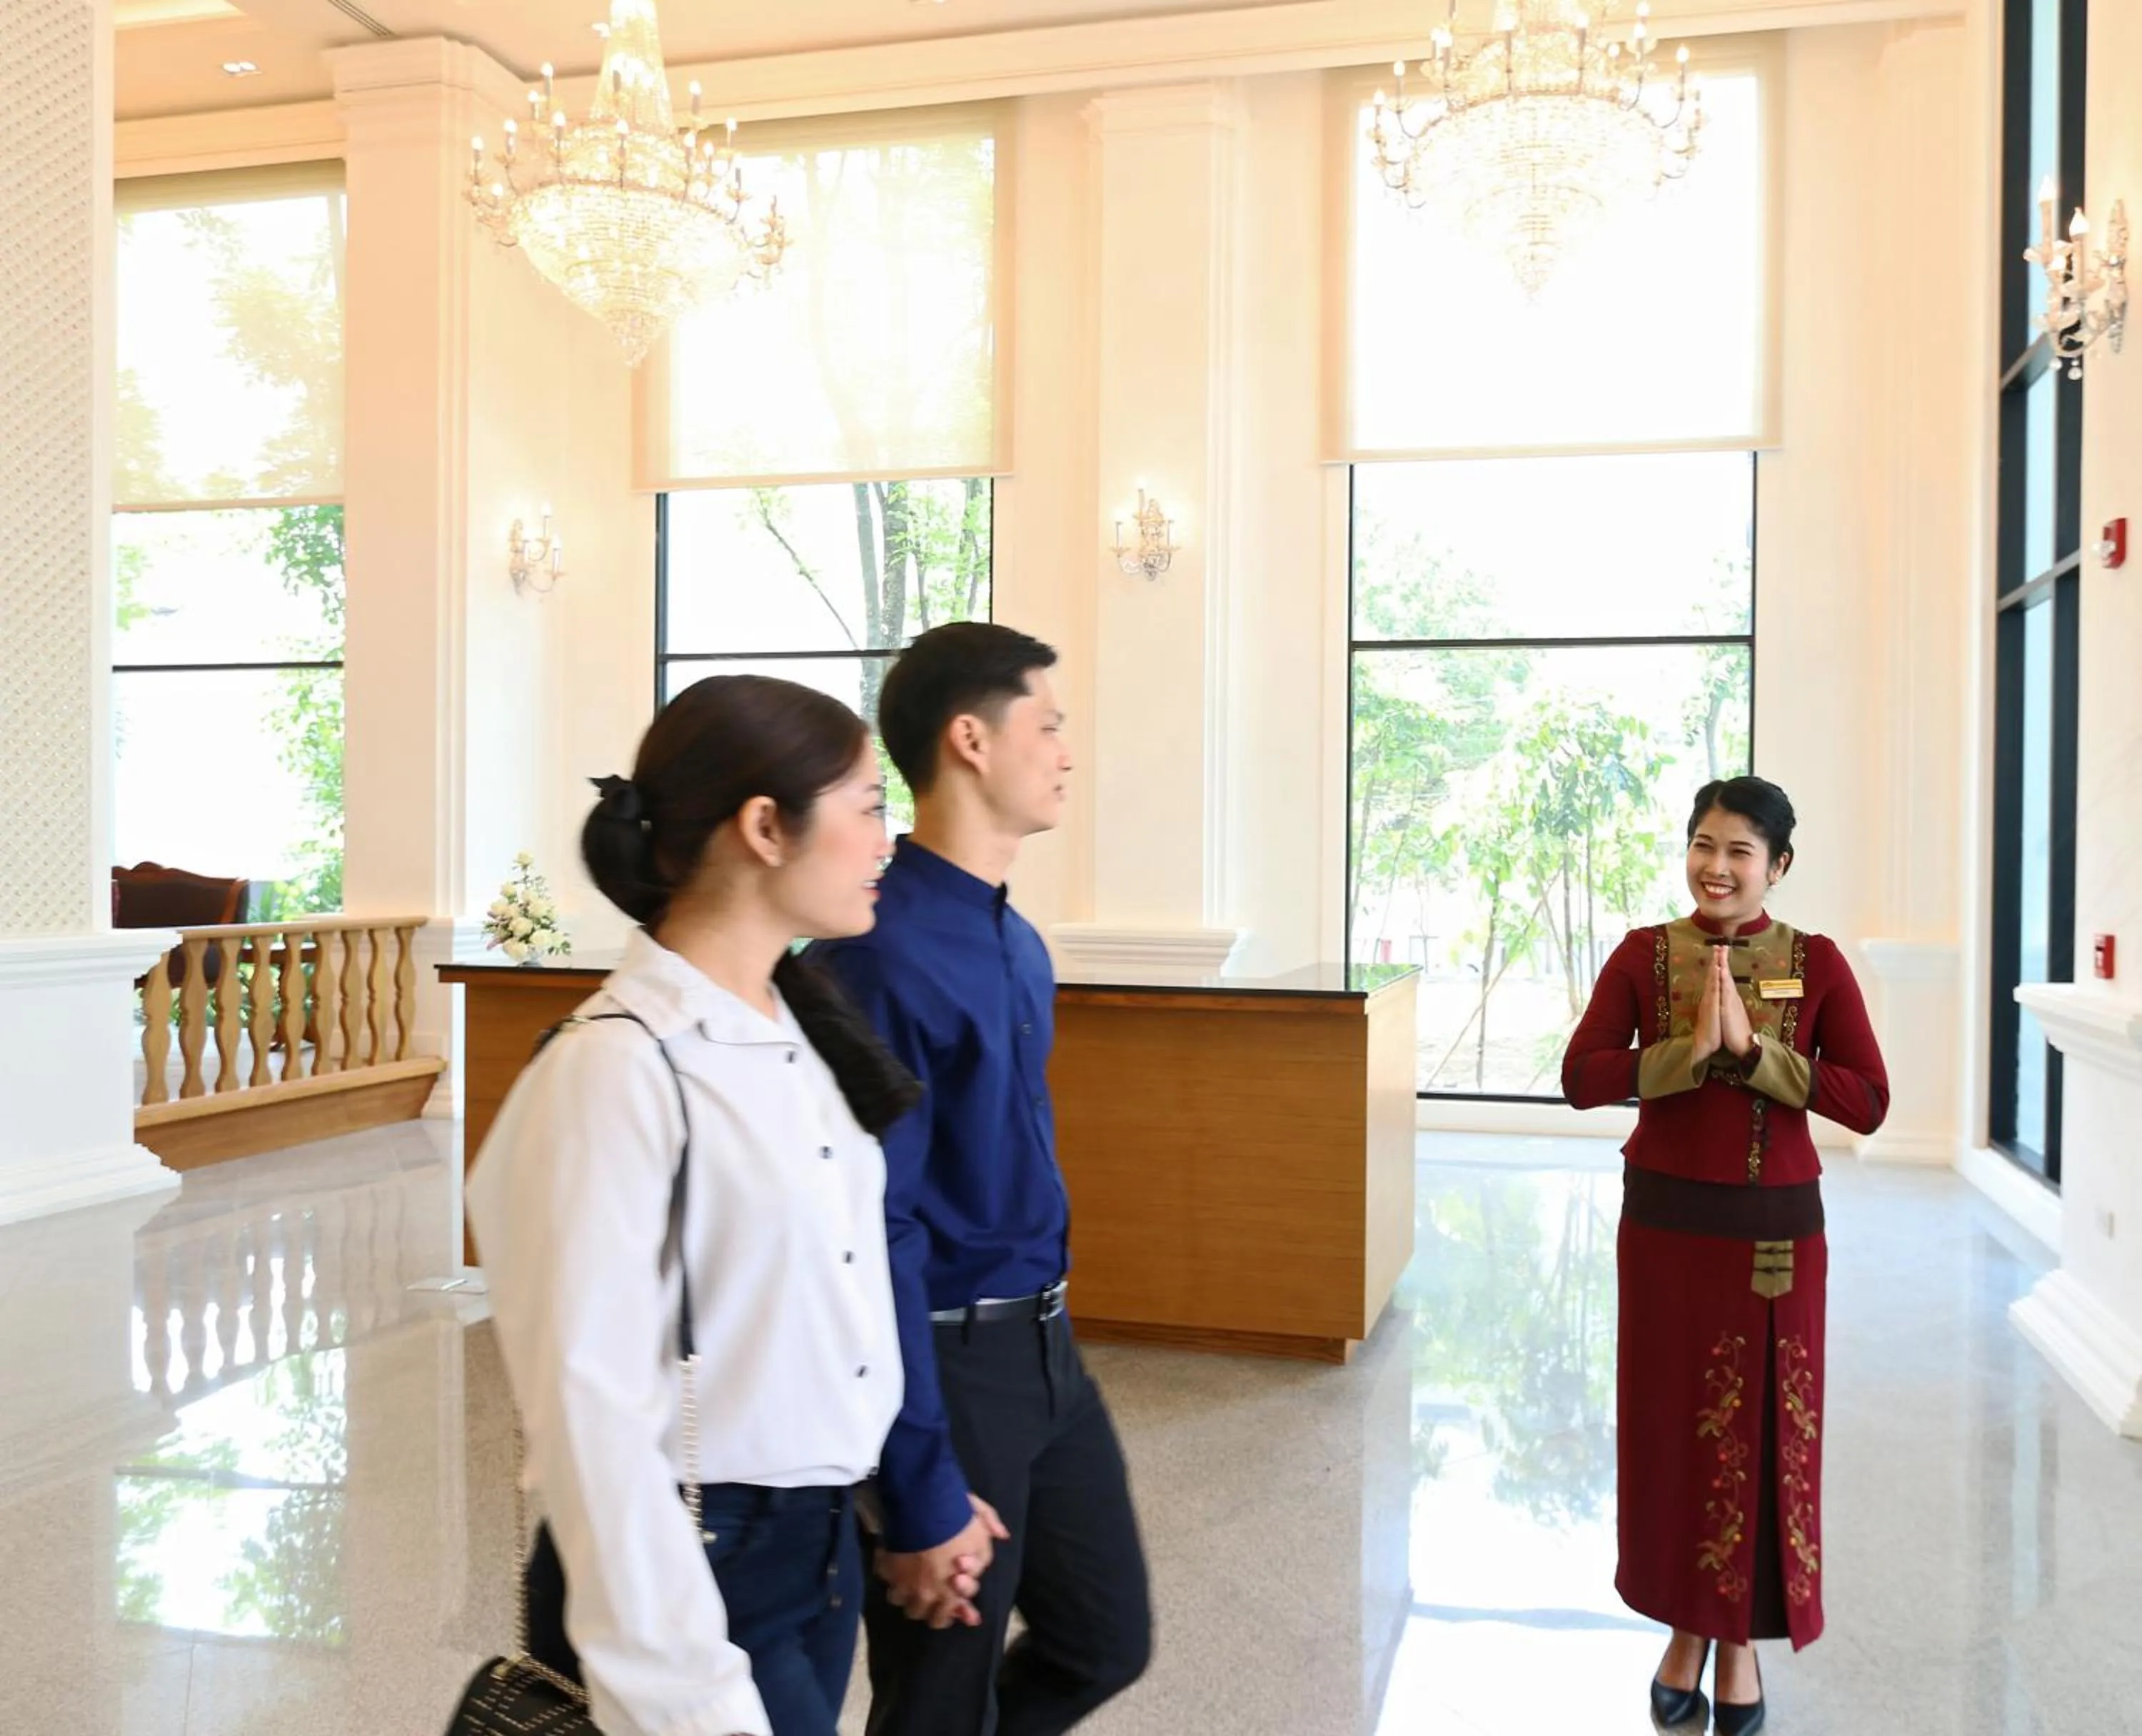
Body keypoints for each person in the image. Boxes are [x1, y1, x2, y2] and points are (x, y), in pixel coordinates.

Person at [467, 675, 925, 1736]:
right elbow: (595, 1429)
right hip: (691, 1561)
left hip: (813, 1545)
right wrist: (687, 1705)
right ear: (766, 827)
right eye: (866, 804)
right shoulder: (613, 1071)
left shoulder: (794, 1025)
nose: (885, 839)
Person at [813, 622, 1152, 1736]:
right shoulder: (872, 950)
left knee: (1105, 1639)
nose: (1065, 752)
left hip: (1047, 1350)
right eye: (1047, 726)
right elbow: (873, 1236)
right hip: (947, 1366)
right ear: (969, 738)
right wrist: (913, 1486)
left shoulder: (1017, 942)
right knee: (938, 1698)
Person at [1562, 776, 1889, 1735]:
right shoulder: (1642, 955)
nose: (1717, 867)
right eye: (1704, 844)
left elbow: (1867, 1098)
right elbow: (1581, 1077)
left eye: (1741, 851)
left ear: (1778, 867)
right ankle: (1684, 1628)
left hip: (1775, 1236)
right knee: (1672, 1436)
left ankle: (1735, 1641)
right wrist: (1685, 1051)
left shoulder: (1815, 965)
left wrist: (1755, 1055)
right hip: (1664, 1228)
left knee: (1757, 1441)